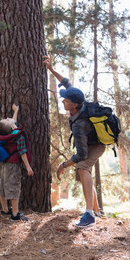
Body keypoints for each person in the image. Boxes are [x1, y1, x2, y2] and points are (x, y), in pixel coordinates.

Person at [43, 55, 105, 228]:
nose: (63, 100)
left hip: (96, 145)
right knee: (84, 171)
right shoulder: (79, 99)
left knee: (82, 167)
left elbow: (82, 154)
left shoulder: (80, 124)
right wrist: (51, 69)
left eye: (66, 100)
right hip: (92, 143)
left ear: (75, 105)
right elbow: (66, 82)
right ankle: (96, 211)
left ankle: (90, 215)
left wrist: (63, 164)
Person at [0, 104, 34, 222]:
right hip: (13, 164)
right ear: (12, 126)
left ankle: (5, 210)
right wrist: (28, 166)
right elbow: (22, 152)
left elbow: (12, 122)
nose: (8, 117)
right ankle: (15, 214)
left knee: (3, 186)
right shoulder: (18, 136)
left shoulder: (3, 134)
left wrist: (16, 111)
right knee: (14, 187)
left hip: (5, 163)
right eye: (7, 119)